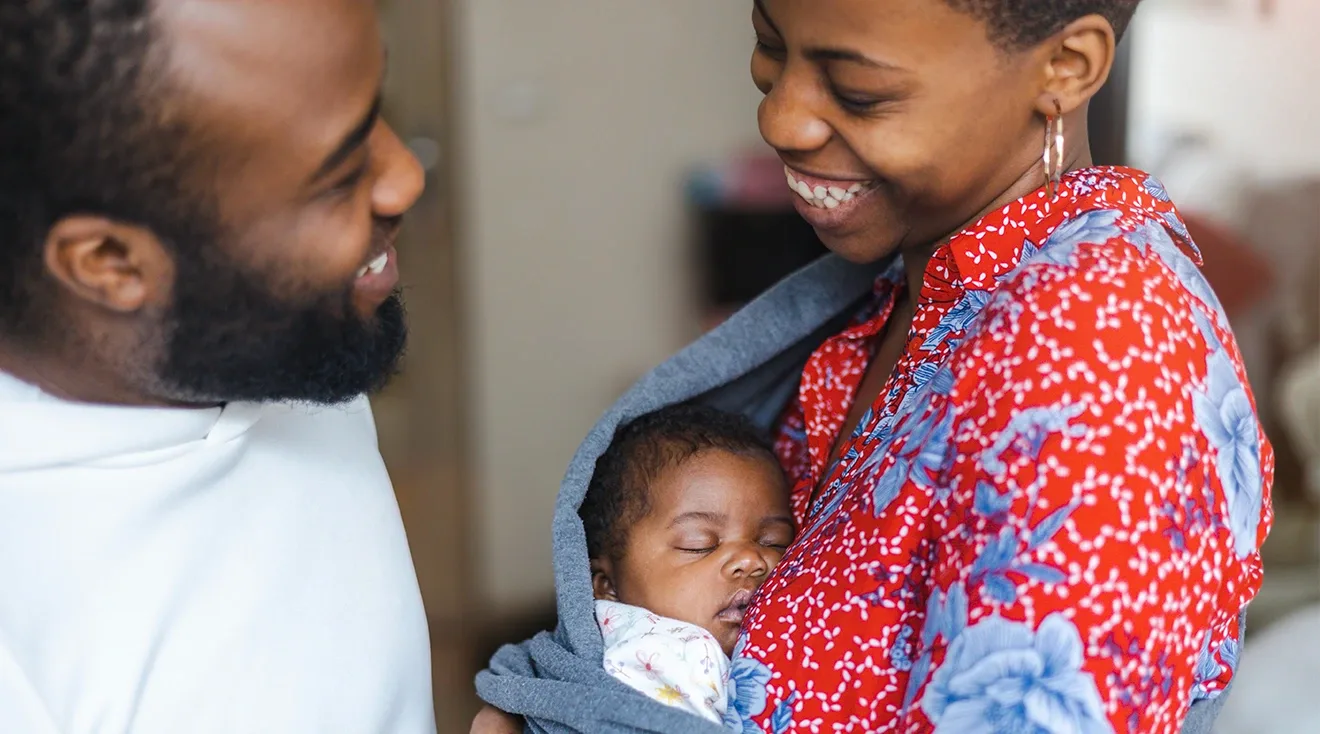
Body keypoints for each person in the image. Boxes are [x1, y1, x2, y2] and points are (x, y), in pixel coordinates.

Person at [475, 1, 1274, 732]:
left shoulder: (1100, 348)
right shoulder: (905, 294)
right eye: (769, 48)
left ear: (1065, 69)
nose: (780, 119)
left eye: (857, 90)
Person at [0, 1, 434, 732]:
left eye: (375, 109)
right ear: (110, 264)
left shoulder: (262, 336)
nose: (405, 178)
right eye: (336, 177)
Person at [580, 405, 794, 724]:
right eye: (700, 544)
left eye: (773, 541)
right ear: (607, 586)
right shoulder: (662, 657)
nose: (750, 560)